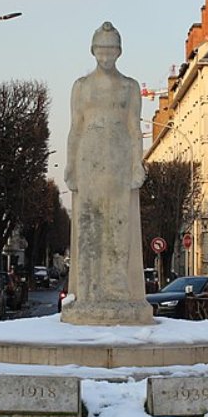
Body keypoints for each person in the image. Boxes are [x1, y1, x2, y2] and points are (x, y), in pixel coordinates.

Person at [60, 22, 154, 326]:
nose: (106, 56)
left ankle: (117, 290)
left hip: (117, 159)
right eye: (101, 50)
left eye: (111, 50)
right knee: (89, 225)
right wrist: (71, 165)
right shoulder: (81, 86)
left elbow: (133, 128)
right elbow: (75, 127)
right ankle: (88, 291)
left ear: (119, 52)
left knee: (117, 224)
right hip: (89, 158)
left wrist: (136, 164)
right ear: (93, 51)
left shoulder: (129, 86)